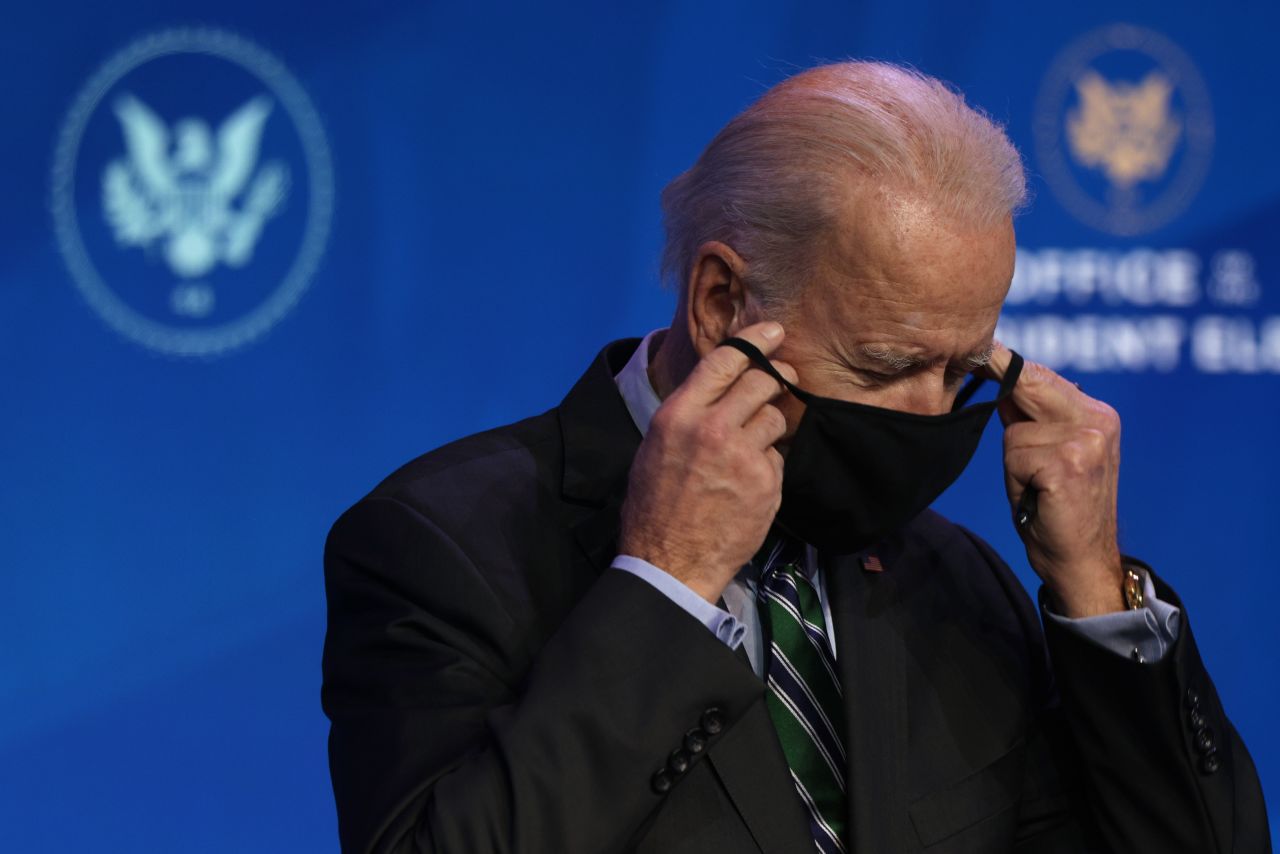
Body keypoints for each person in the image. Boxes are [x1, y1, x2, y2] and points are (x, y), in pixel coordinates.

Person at [321, 61, 1270, 853]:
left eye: (963, 369)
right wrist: (668, 582)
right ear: (723, 305)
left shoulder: (958, 580)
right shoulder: (444, 547)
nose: (933, 413)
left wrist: (1095, 592)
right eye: (889, 366)